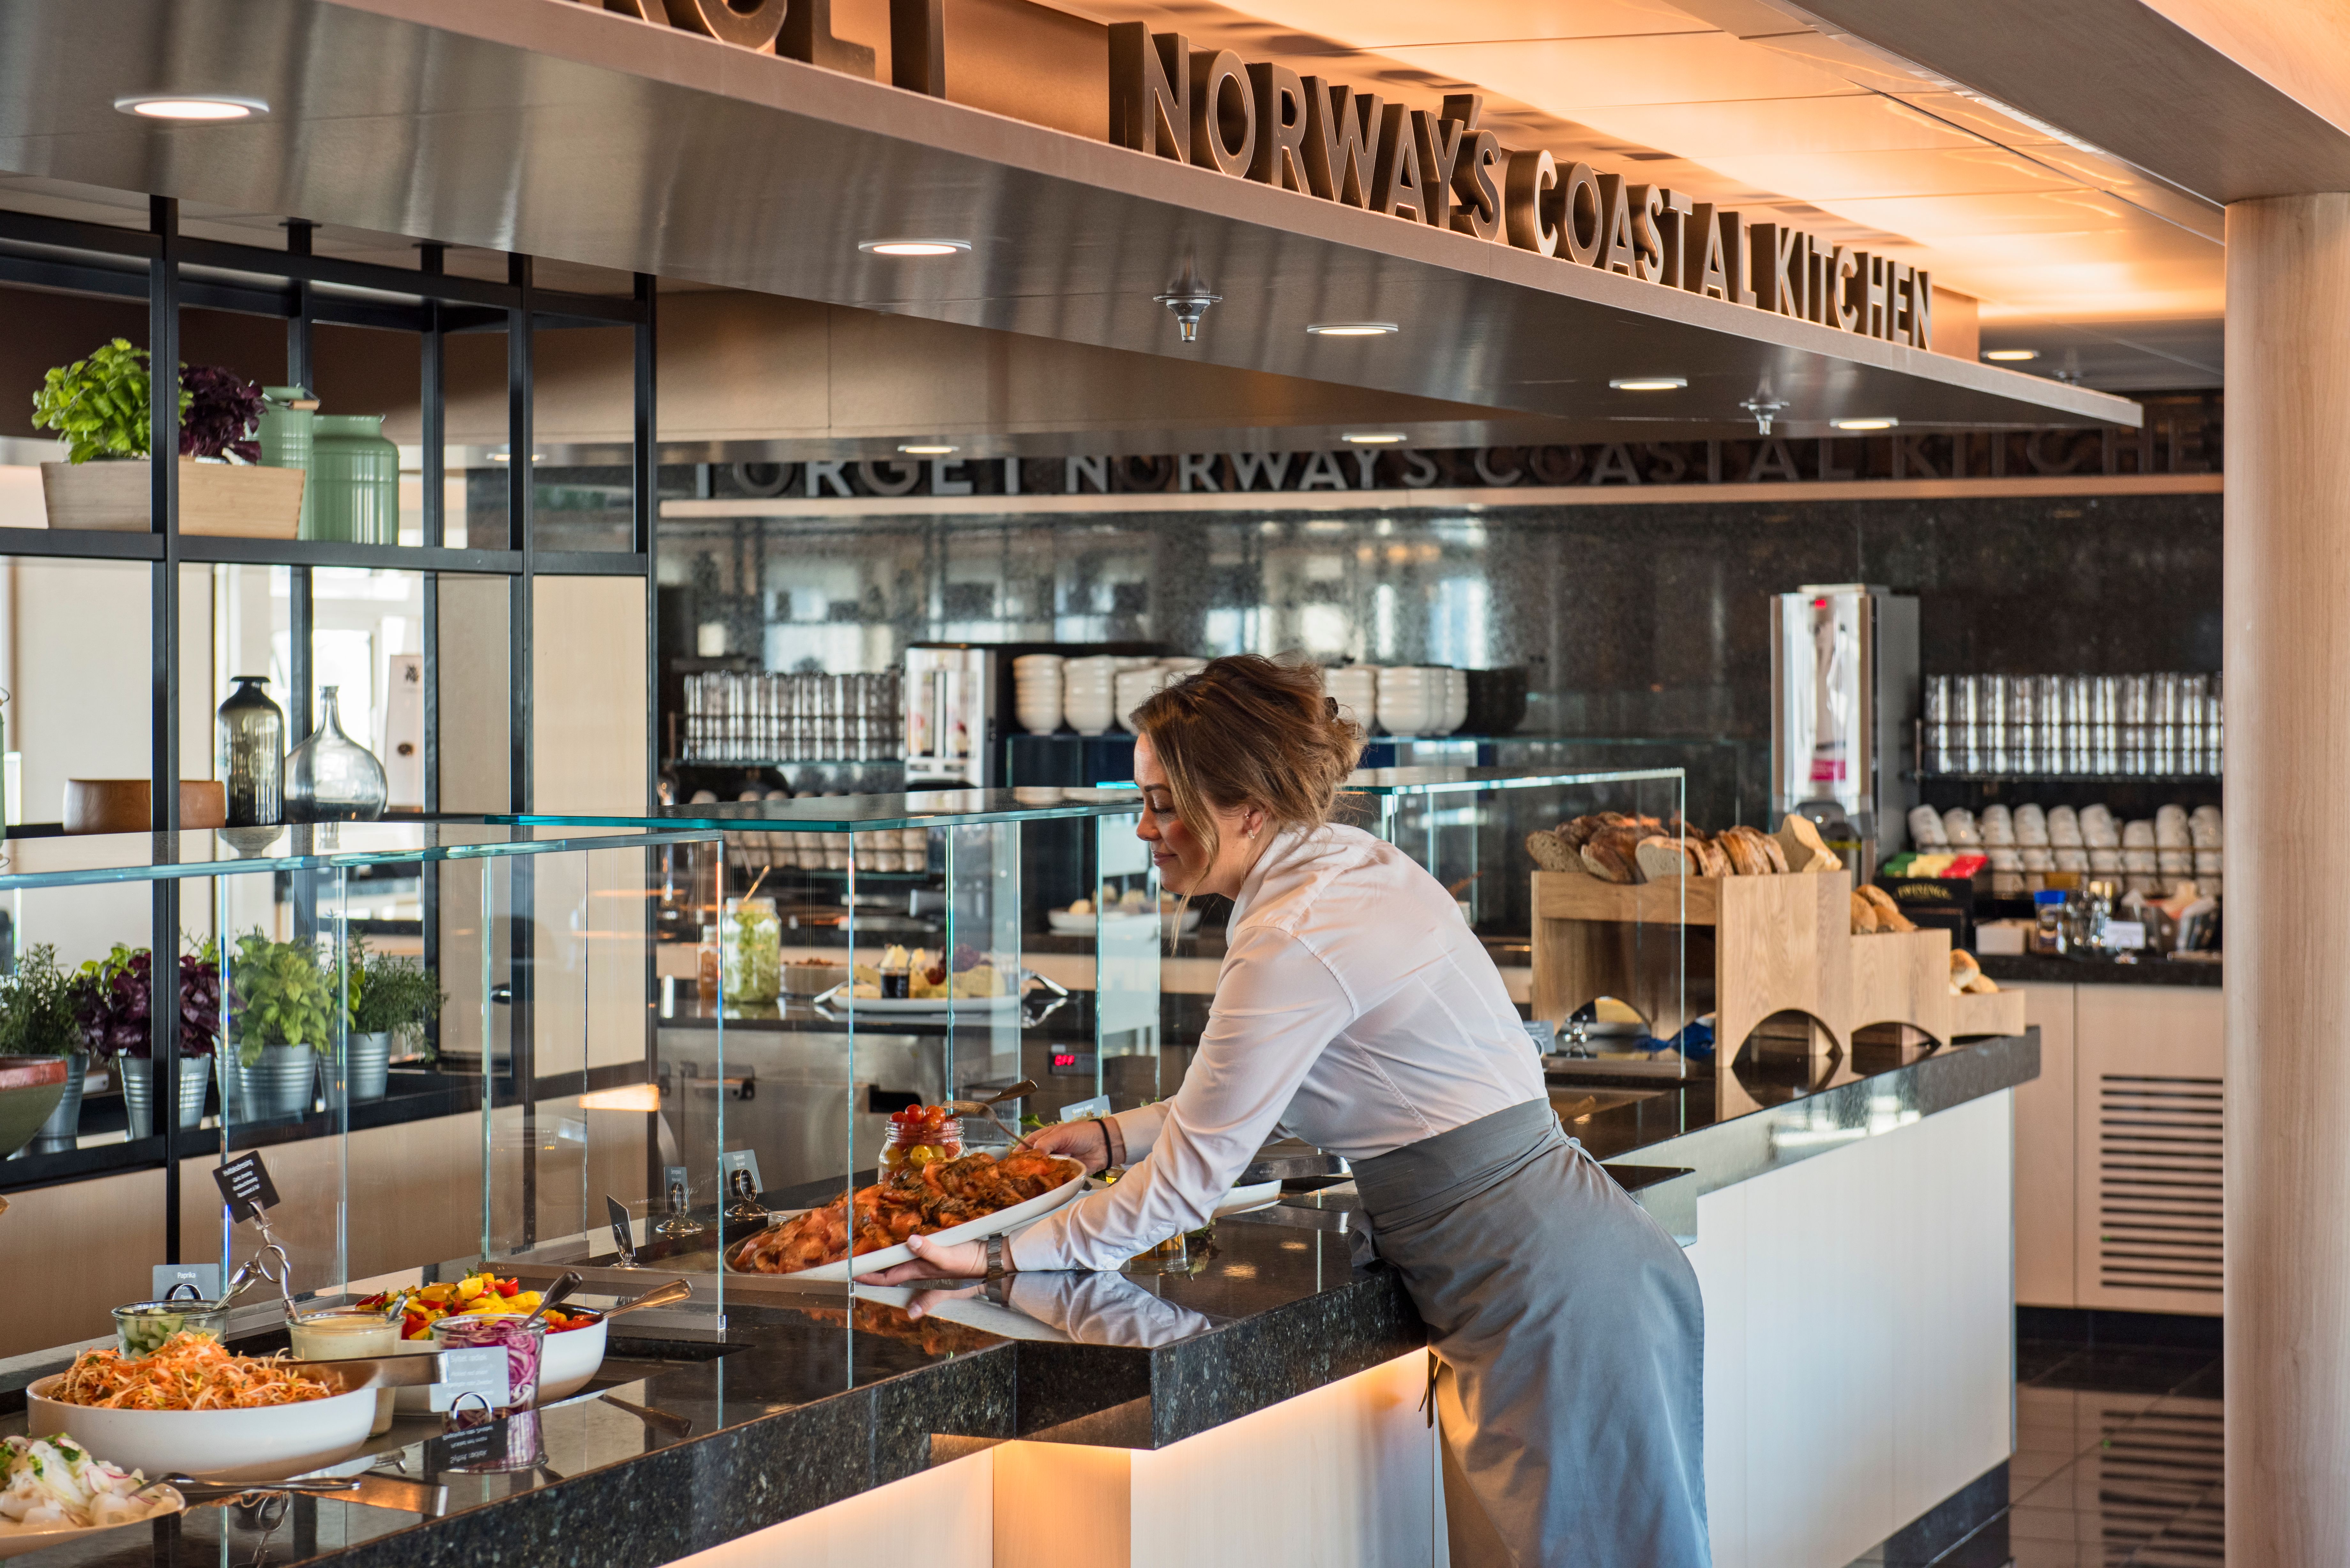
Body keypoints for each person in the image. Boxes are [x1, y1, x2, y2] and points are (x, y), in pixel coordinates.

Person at [859, 653, 1709, 1567]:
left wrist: (993, 1253)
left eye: (1164, 802)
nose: (1144, 829)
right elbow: (1277, 1091)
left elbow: (1180, 1196)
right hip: (1560, 1265)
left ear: (1248, 810)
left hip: (1545, 1296)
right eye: (1139, 800)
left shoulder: (1294, 932)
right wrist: (1111, 1136)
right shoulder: (1340, 866)